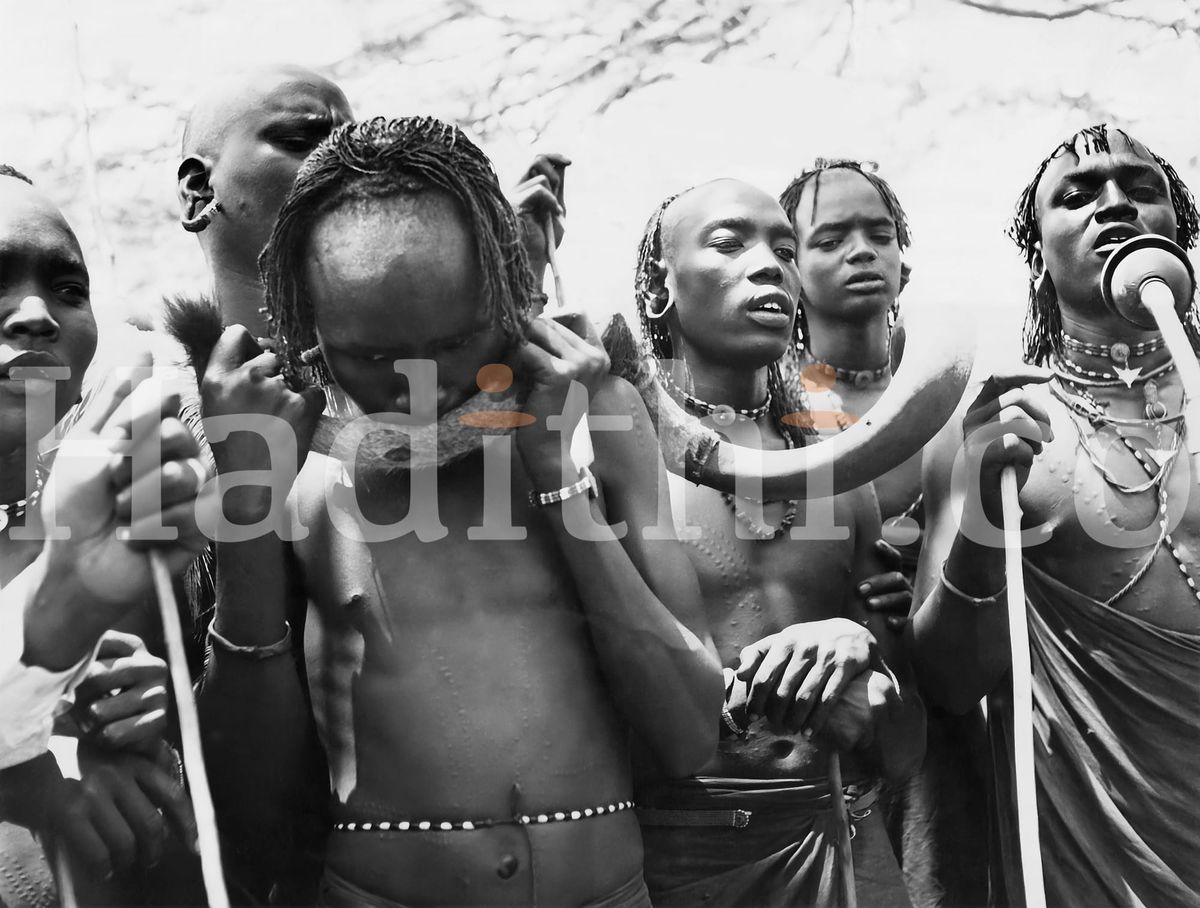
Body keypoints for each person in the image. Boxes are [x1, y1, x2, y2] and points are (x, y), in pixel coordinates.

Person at [195, 115, 722, 907]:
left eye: (458, 340)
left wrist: (552, 468)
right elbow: (250, 802)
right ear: (309, 329)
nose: (423, 386)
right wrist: (243, 508)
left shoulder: (597, 418)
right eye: (373, 357)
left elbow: (688, 735)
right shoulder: (283, 460)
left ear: (508, 288)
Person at [911, 123, 1200, 907]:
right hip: (1101, 865)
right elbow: (945, 678)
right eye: (1077, 196)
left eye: (1143, 190)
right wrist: (980, 524)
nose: (1115, 205)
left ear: (1181, 231)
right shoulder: (1000, 429)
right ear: (1038, 253)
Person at [621, 178, 924, 907]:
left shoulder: (840, 468)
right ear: (658, 285)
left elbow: (903, 745)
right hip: (681, 860)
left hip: (846, 842)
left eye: (784, 250)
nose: (767, 265)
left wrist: (863, 642)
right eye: (729, 243)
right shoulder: (607, 458)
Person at [780, 160, 989, 908]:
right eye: (831, 238)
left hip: (955, 711)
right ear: (791, 268)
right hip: (824, 717)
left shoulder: (961, 403)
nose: (861, 250)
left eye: (879, 232)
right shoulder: (769, 417)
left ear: (907, 257)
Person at [0, 171, 211, 902]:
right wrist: (31, 784)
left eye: (66, 289)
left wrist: (132, 720)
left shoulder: (97, 520)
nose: (36, 315)